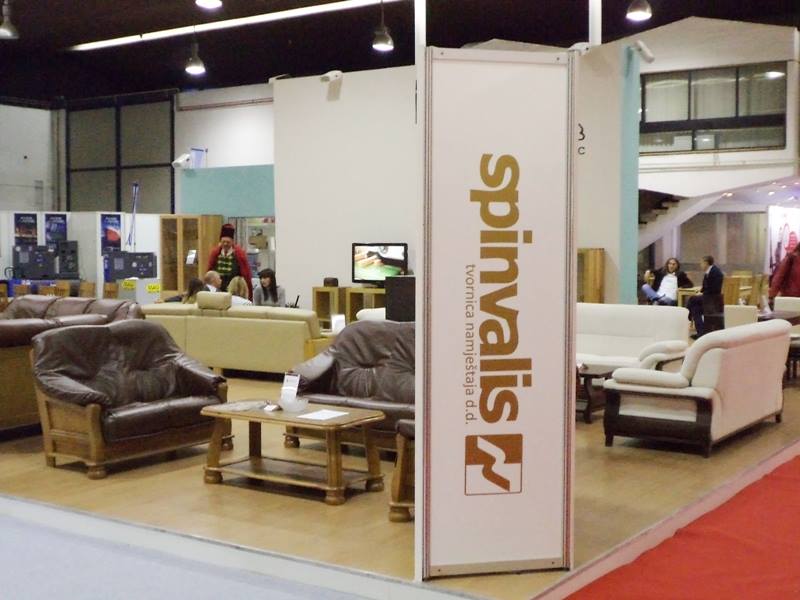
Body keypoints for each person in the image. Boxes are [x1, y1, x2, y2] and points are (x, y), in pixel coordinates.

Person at [207, 224, 253, 299]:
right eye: (223, 242)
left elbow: (246, 275)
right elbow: (210, 272)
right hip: (217, 292)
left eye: (228, 242)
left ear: (232, 242)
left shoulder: (239, 254)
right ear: (220, 241)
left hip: (234, 292)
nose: (225, 244)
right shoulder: (215, 253)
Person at [687, 255, 724, 338]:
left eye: (701, 263)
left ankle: (688, 315)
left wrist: (703, 293)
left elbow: (715, 289)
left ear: (706, 263)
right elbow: (705, 286)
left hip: (713, 300)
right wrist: (701, 291)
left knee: (692, 299)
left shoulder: (715, 272)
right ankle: (701, 333)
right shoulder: (709, 272)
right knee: (695, 309)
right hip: (708, 298)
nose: (700, 265)